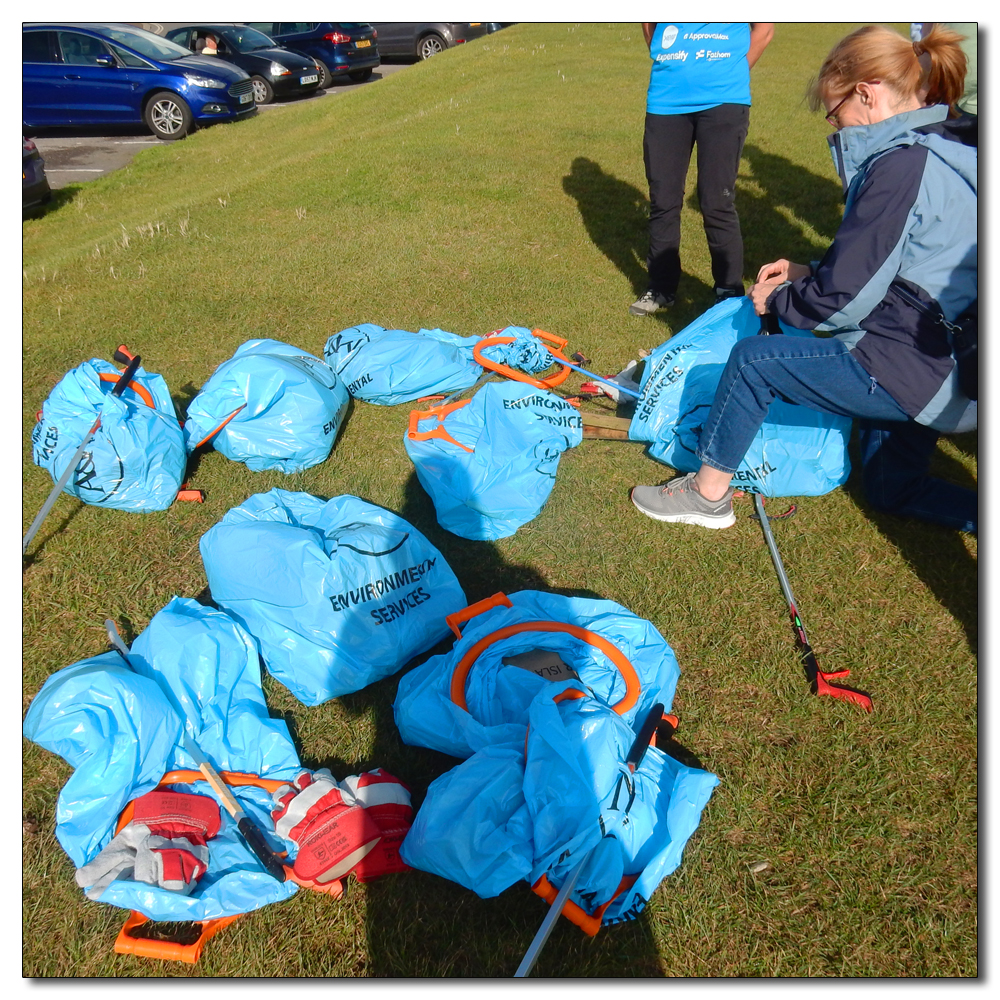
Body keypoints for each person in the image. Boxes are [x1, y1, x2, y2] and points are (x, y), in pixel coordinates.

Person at [630, 24, 977, 533]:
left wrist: (782, 297)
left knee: (754, 362)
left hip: (920, 368)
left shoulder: (901, 165)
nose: (835, 127)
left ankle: (706, 496)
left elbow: (842, 300)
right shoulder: (944, 142)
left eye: (835, 112)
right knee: (889, 487)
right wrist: (809, 271)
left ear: (866, 92)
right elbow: (903, 265)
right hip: (951, 359)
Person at [629, 22, 774, 316]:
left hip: (724, 101)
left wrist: (729, 71)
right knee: (663, 200)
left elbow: (764, 28)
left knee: (717, 201)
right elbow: (649, 23)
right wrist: (673, 59)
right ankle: (661, 287)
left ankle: (728, 291)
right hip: (666, 101)